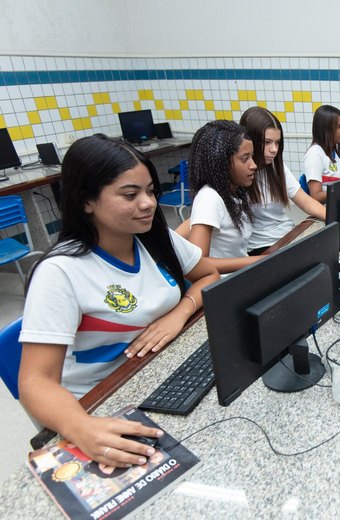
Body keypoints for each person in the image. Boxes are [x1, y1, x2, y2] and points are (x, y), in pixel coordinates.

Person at [18, 135, 219, 467]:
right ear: (86, 201)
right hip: (103, 397)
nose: (148, 204)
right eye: (130, 194)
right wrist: (83, 428)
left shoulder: (153, 236)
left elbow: (208, 275)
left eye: (151, 191)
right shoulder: (60, 273)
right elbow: (34, 382)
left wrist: (179, 313)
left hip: (162, 371)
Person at [239, 106, 326, 254]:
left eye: (277, 142)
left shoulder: (275, 166)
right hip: (262, 248)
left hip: (287, 236)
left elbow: (305, 200)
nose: (274, 149)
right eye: (267, 142)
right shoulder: (241, 174)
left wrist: (334, 217)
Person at [186, 120, 262, 273]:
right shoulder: (209, 198)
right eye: (245, 158)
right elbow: (197, 263)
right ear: (221, 162)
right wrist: (255, 261)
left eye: (252, 157)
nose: (253, 165)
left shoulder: (235, 193)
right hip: (222, 284)